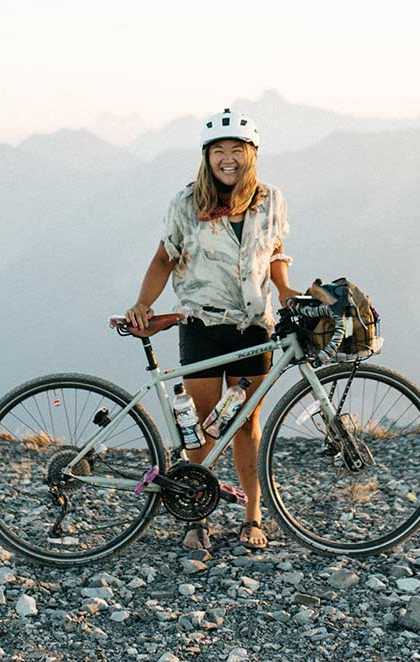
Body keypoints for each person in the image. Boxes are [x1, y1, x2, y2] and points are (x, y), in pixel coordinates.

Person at [126, 108, 299, 550]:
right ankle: (197, 518)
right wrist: (144, 303)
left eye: (236, 151)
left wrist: (283, 289)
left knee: (245, 426)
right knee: (202, 426)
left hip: (253, 328)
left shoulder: (271, 199)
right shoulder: (186, 204)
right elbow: (165, 257)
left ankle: (252, 516)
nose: (227, 159)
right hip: (203, 324)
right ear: (206, 157)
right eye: (218, 151)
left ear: (251, 155)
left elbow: (276, 250)